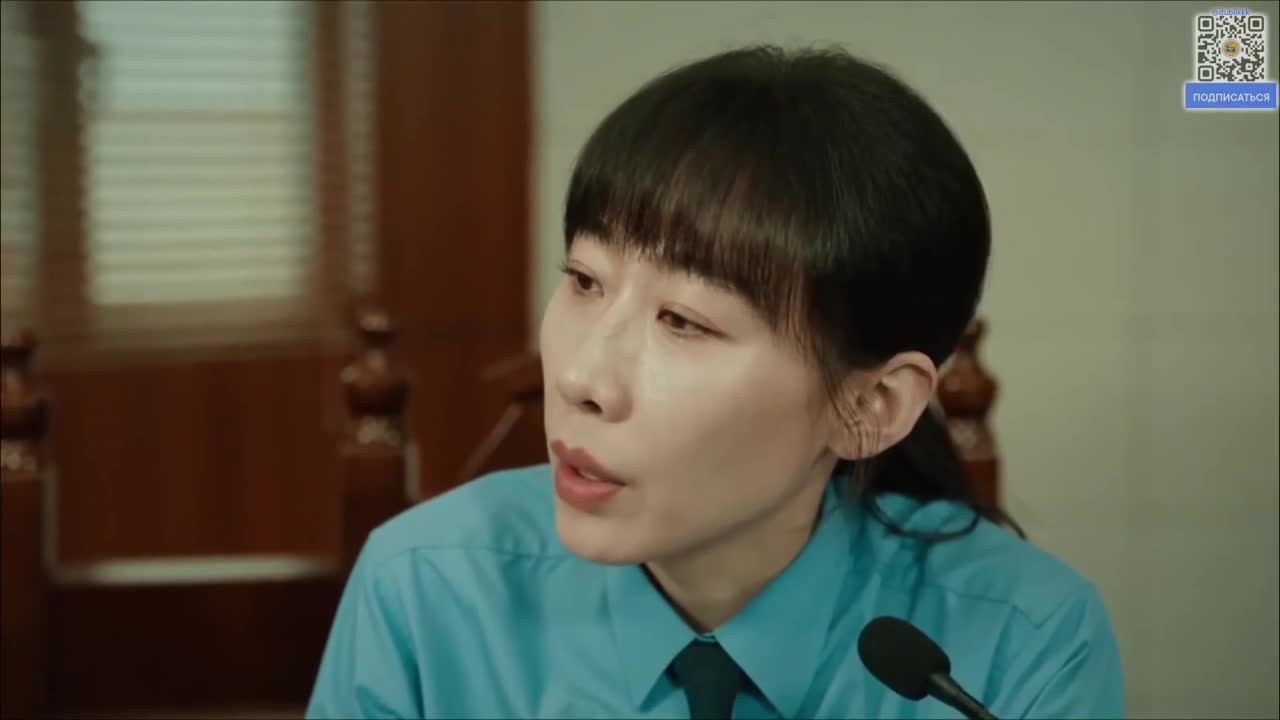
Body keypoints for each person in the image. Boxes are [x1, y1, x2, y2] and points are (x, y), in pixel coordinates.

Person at [306, 45, 1125, 720]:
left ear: (869, 405)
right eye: (585, 281)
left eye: (684, 321)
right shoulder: (428, 591)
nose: (583, 377)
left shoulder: (1019, 645)